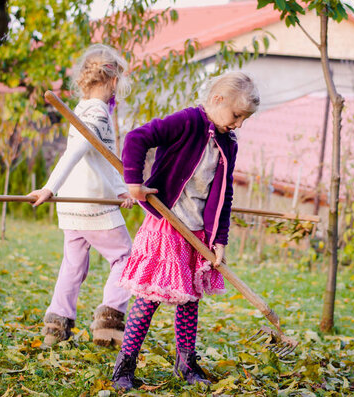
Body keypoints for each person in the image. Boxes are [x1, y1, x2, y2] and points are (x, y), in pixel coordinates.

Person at [111, 71, 260, 390]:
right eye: (236, 115)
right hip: (167, 224)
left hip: (196, 233)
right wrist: (134, 182)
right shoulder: (188, 122)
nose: (238, 125)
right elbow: (137, 137)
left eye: (244, 119)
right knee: (149, 299)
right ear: (217, 100)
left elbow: (225, 193)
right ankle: (124, 366)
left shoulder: (227, 142)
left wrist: (220, 239)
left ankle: (185, 363)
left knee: (189, 299)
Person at [28, 44, 134, 347]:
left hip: (73, 207)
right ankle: (108, 325)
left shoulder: (81, 108)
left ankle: (55, 328)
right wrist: (49, 188)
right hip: (92, 206)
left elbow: (102, 158)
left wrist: (121, 189)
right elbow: (76, 152)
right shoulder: (99, 113)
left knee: (73, 265)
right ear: (114, 81)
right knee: (126, 257)